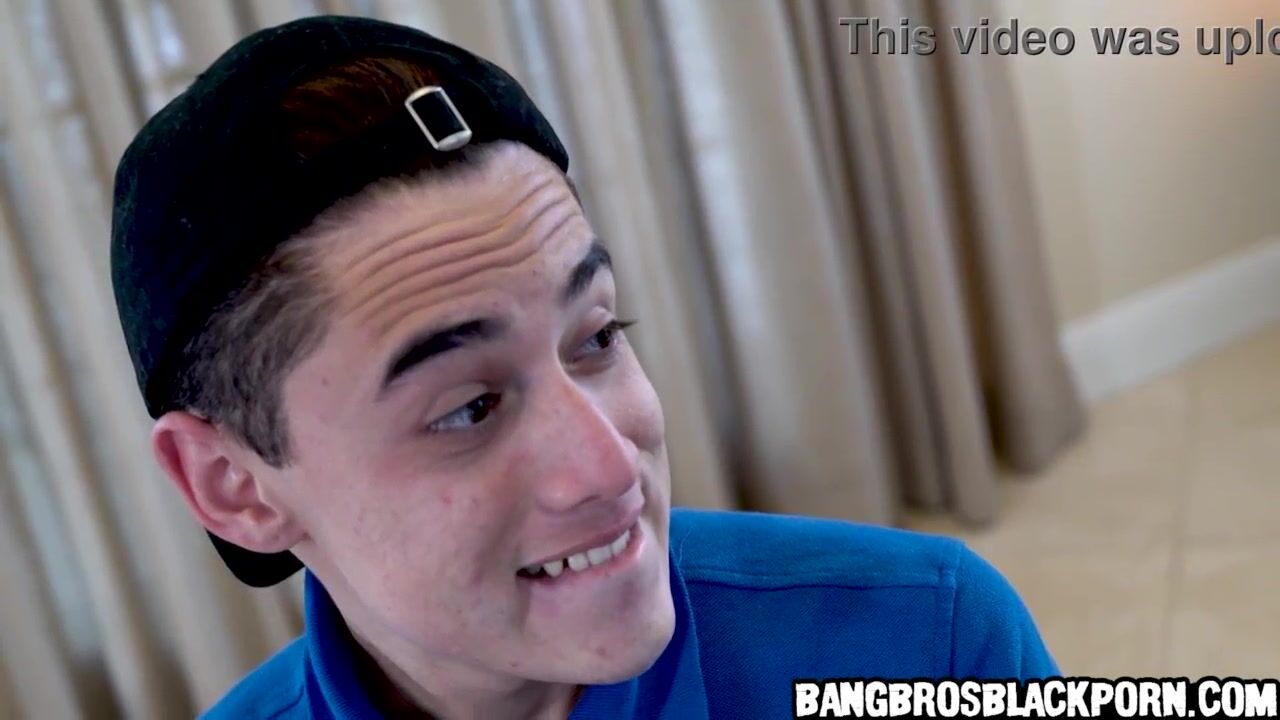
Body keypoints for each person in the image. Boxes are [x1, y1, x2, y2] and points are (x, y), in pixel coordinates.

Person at [109, 15, 1058, 720]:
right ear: (235, 486)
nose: (610, 468)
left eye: (596, 338)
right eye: (469, 408)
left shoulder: (930, 645)